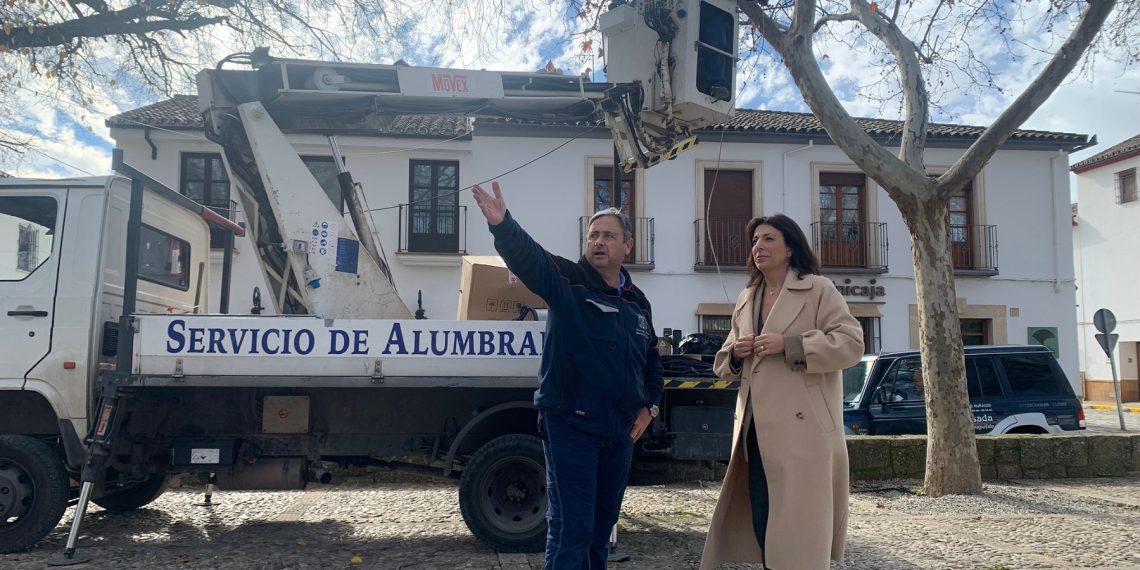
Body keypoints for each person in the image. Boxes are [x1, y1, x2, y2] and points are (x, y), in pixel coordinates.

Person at [471, 181, 664, 569]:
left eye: (609, 236)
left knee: (600, 527)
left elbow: (651, 363)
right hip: (571, 426)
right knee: (571, 528)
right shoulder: (567, 281)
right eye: (594, 235)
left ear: (628, 247)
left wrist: (651, 409)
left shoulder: (637, 302)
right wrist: (503, 226)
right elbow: (531, 259)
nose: (599, 241)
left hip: (620, 432)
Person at [700, 214, 864, 570]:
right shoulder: (747, 297)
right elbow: (723, 362)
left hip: (803, 433)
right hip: (755, 431)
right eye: (755, 240)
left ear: (790, 247)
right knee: (763, 515)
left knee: (799, 528)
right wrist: (736, 355)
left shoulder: (819, 289)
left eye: (768, 239)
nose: (758, 246)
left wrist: (791, 345)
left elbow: (851, 344)